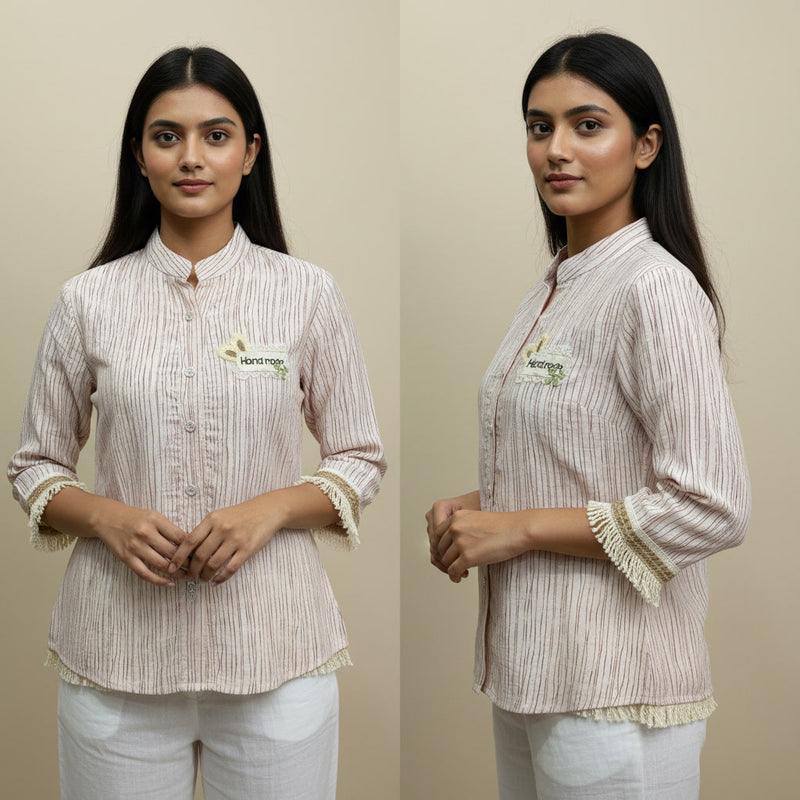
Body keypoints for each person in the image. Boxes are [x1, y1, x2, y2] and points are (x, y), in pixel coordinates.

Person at [8, 46, 385, 800]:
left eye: (216, 136)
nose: (191, 157)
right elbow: (34, 466)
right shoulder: (87, 300)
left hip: (276, 655)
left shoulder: (306, 294)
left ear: (250, 154)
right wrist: (106, 517)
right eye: (166, 136)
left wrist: (271, 509)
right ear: (139, 157)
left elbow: (359, 457)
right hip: (116, 660)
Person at [426, 32, 750, 800]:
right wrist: (477, 509)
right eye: (540, 128)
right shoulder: (555, 288)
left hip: (617, 693)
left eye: (587, 124)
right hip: (531, 676)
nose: (556, 150)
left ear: (646, 145)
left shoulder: (654, 290)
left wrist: (519, 528)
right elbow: (583, 459)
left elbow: (713, 505)